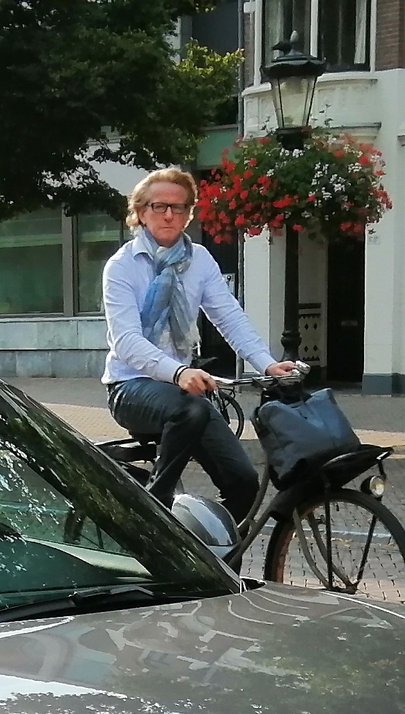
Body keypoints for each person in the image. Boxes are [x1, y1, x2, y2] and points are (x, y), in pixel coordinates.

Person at [101, 166, 303, 523]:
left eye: (178, 208)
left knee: (244, 483)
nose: (168, 214)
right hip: (130, 387)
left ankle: (213, 564)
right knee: (190, 409)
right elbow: (127, 341)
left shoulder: (200, 260)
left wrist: (267, 364)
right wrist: (178, 371)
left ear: (188, 214)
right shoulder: (122, 267)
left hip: (183, 391)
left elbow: (228, 316)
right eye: (158, 206)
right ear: (141, 212)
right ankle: (156, 507)